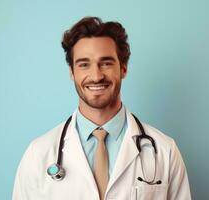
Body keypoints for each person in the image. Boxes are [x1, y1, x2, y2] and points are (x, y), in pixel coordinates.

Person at [12, 16, 191, 200]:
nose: (96, 76)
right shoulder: (38, 154)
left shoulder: (164, 151)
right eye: (84, 65)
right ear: (71, 72)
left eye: (106, 63)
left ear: (123, 68)